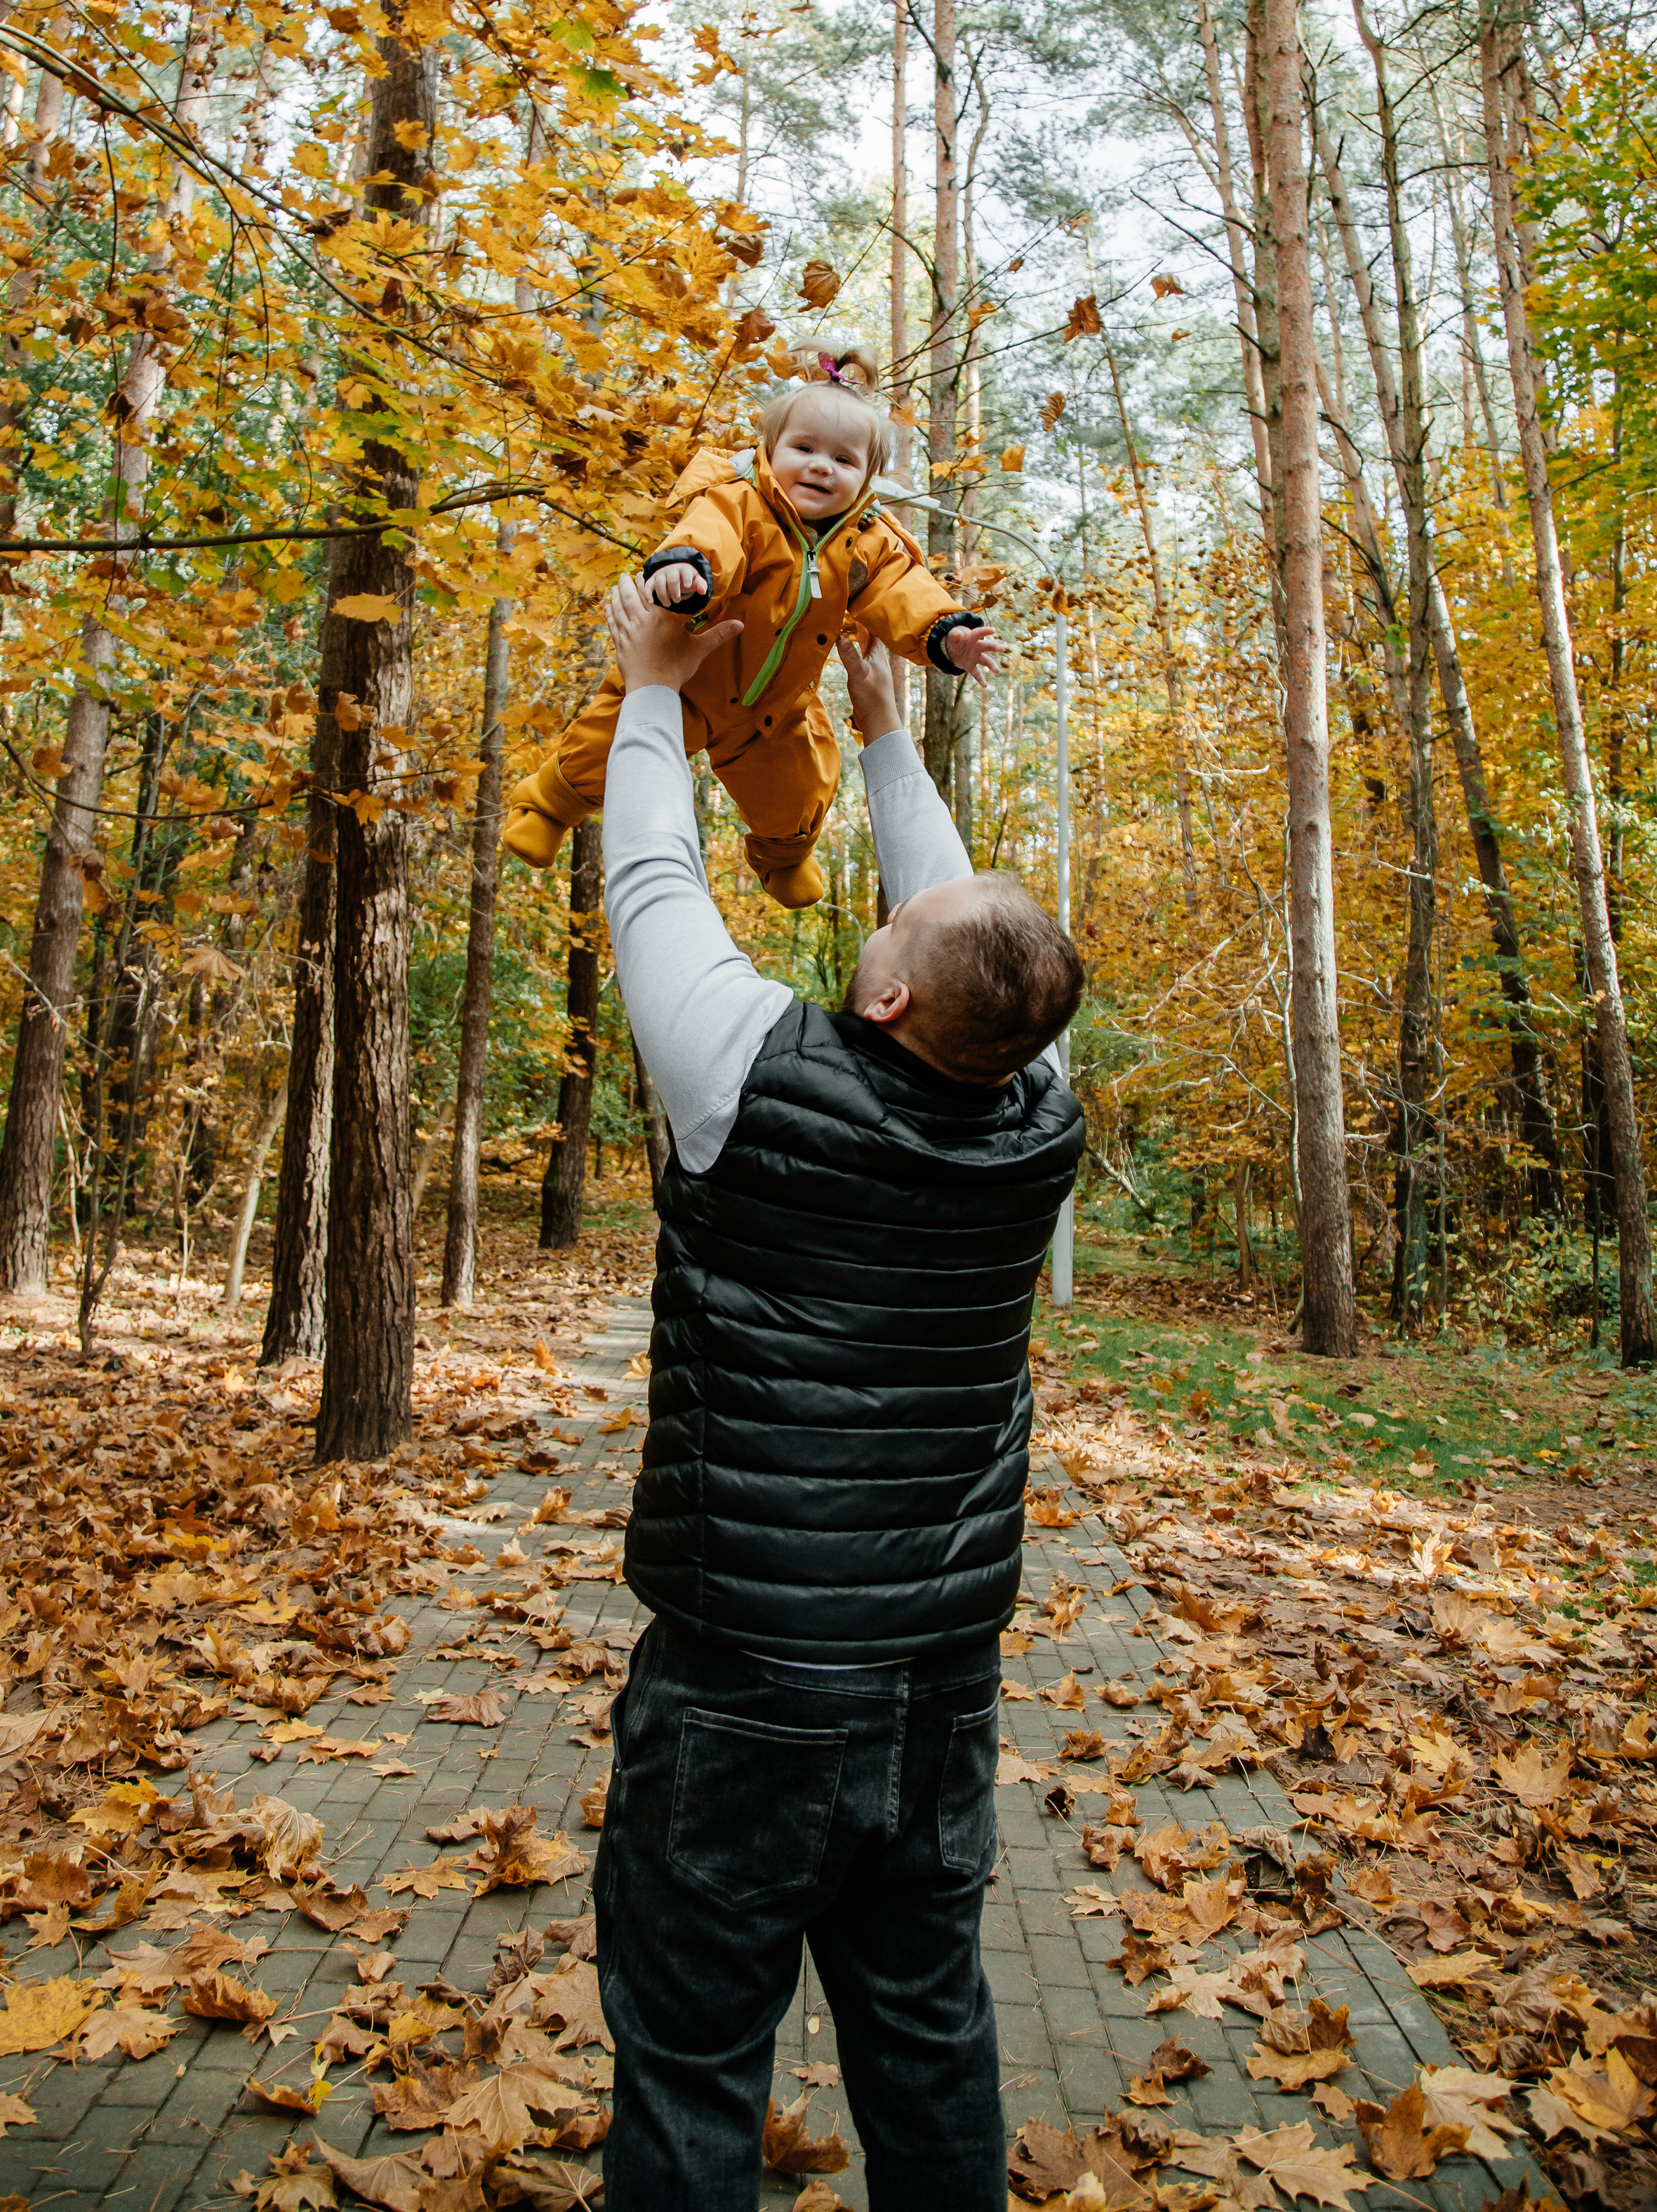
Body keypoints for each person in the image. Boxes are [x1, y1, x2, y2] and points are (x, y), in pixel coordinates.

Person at [592, 568, 1086, 2212]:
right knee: (925, 2029)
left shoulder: (743, 1076)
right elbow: (975, 944)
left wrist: (649, 686)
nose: (895, 913)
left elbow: (652, 876)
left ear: (882, 997)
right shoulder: (1035, 1110)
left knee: (690, 2057)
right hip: (935, 1682)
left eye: (893, 931)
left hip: (744, 1678)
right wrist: (885, 741)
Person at [500, 332, 1001, 908]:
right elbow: (711, 536)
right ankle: (549, 805)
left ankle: (784, 857)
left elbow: (902, 590)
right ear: (769, 448)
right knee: (608, 745)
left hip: (775, 707)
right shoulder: (740, 502)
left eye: (843, 460)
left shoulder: (869, 542)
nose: (821, 467)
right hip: (687, 680)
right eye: (804, 448)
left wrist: (947, 633)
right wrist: (686, 568)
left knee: (798, 787)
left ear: (867, 478)